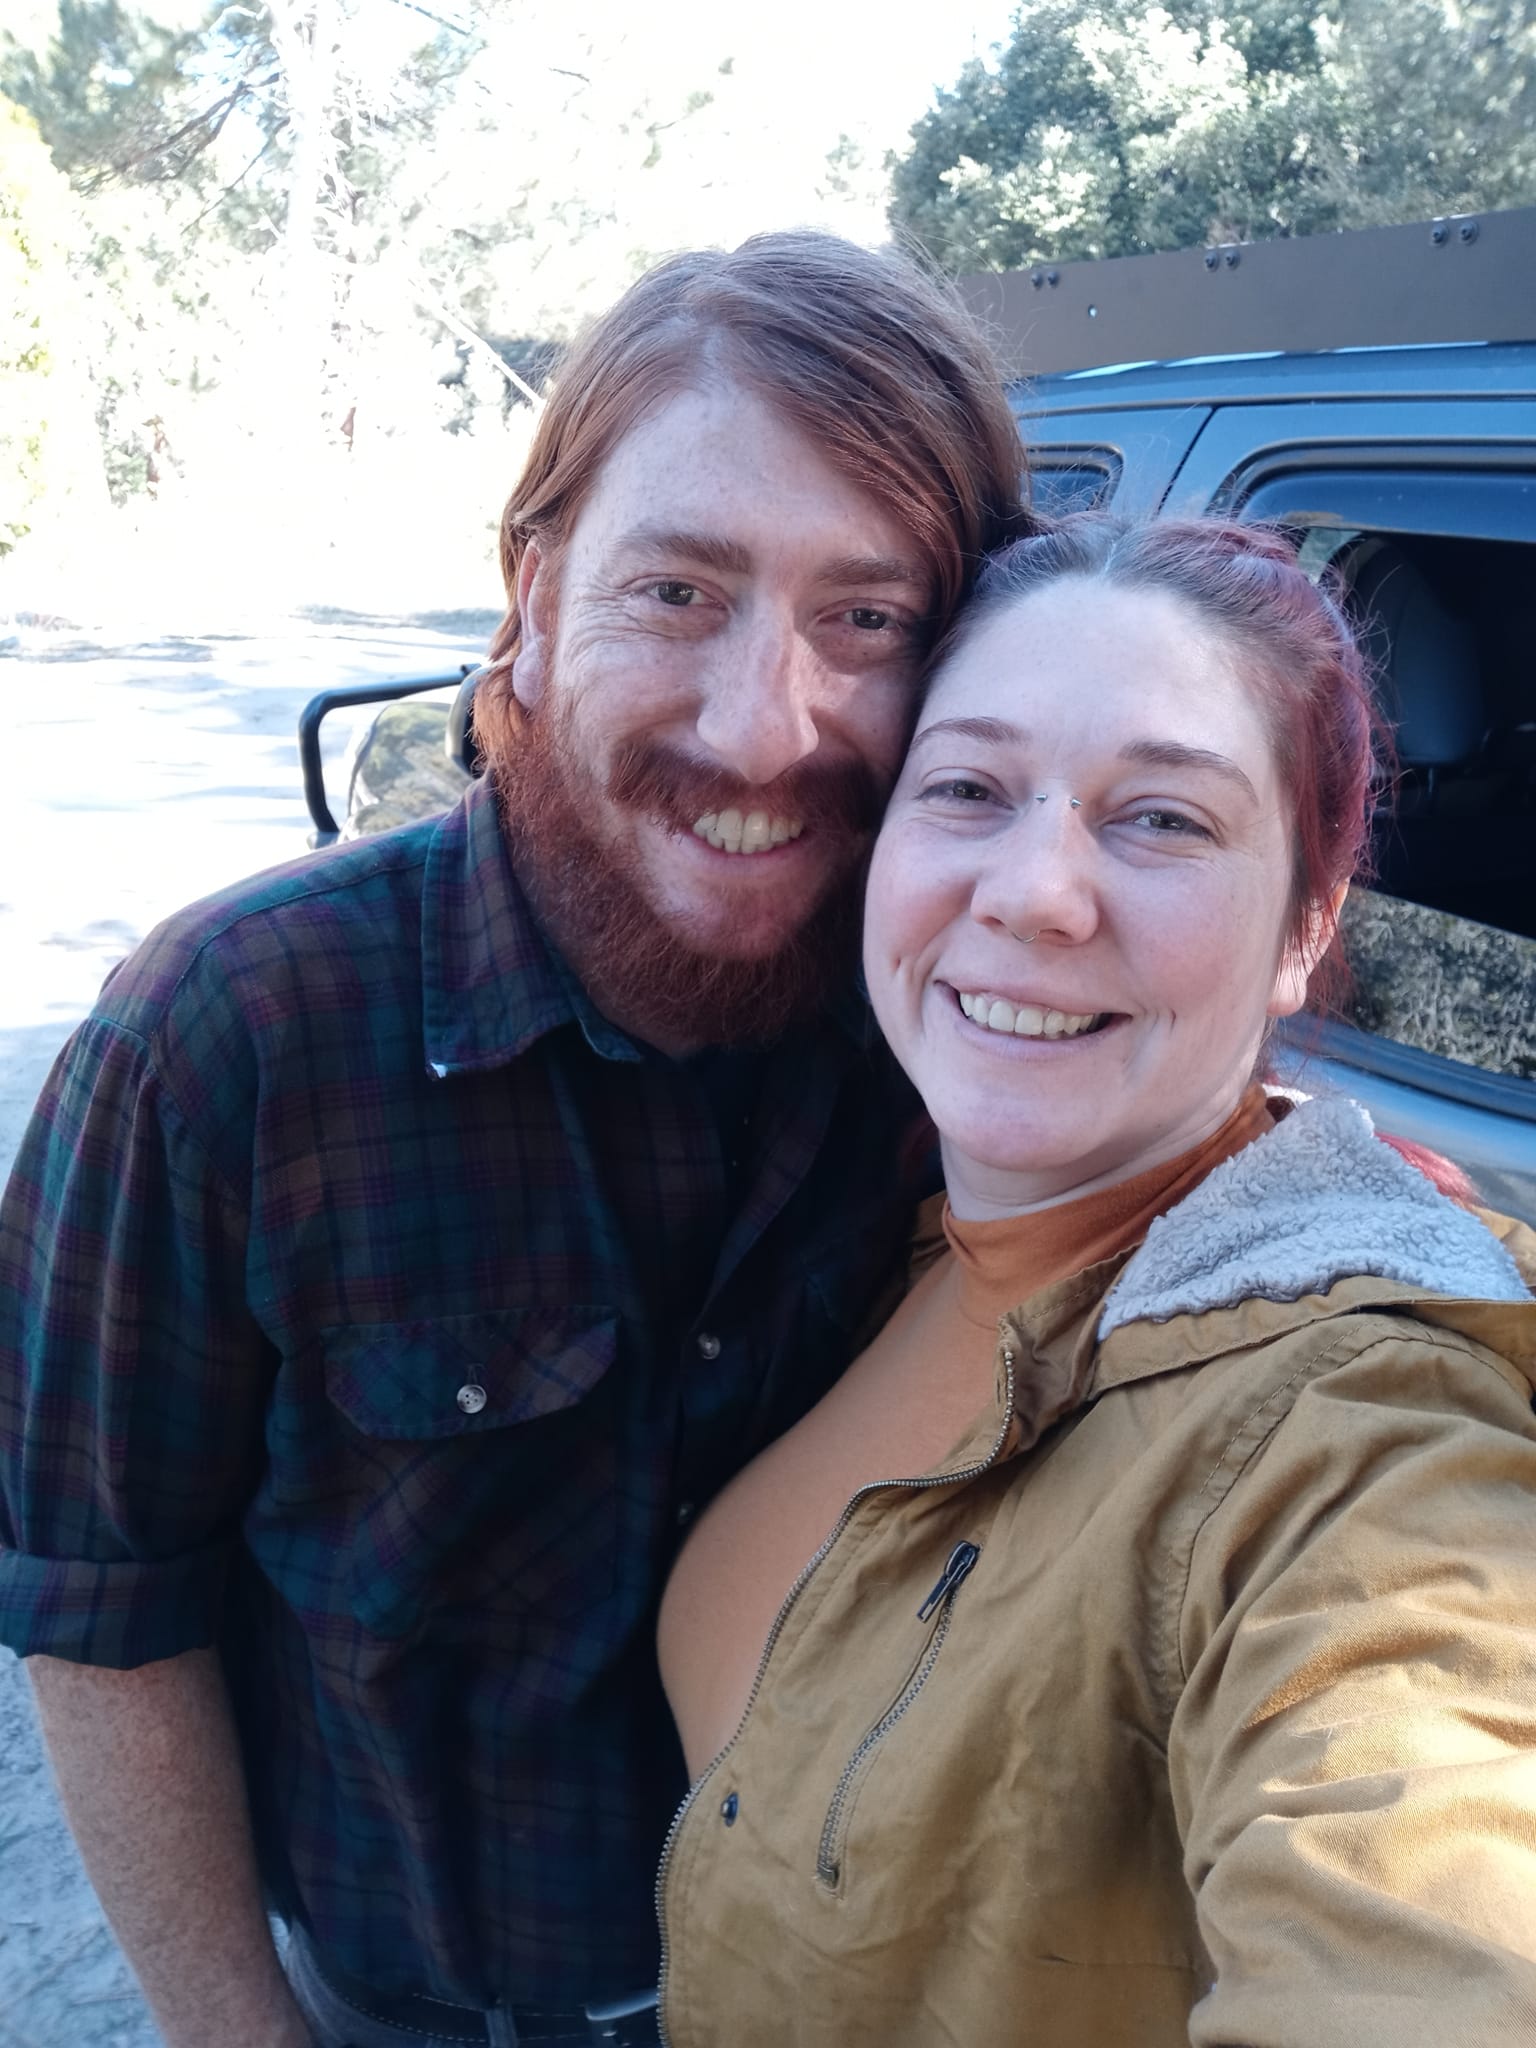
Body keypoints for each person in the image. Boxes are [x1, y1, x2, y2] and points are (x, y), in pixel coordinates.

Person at [0, 233, 1032, 2048]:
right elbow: (104, 1612)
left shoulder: (983, 1026)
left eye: (867, 620)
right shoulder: (226, 1042)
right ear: (536, 596)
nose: (762, 728)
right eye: (680, 593)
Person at [657, 514, 1536, 2047]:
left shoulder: (1362, 1429)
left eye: (1164, 822)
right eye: (970, 791)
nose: (1037, 893)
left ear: (1305, 929)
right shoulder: (912, 1216)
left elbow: (1428, 1893)